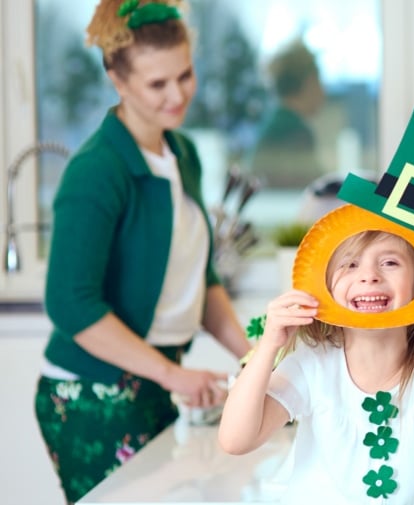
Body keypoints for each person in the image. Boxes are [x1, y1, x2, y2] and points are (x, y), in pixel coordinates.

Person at [33, 1, 252, 503]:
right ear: (118, 79)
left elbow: (204, 280)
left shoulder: (183, 154)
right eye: (157, 84)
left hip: (153, 382)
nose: (177, 95)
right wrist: (174, 374)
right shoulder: (97, 170)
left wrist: (259, 357)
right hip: (90, 395)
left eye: (185, 75)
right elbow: (71, 305)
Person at [219, 230, 414, 504]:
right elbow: (235, 440)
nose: (369, 276)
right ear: (326, 285)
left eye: (390, 262)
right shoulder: (311, 363)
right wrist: (270, 345)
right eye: (351, 264)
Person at [246, 39, 326, 188]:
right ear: (309, 83)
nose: (323, 91)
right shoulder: (295, 132)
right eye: (320, 81)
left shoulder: (274, 123)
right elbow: (320, 188)